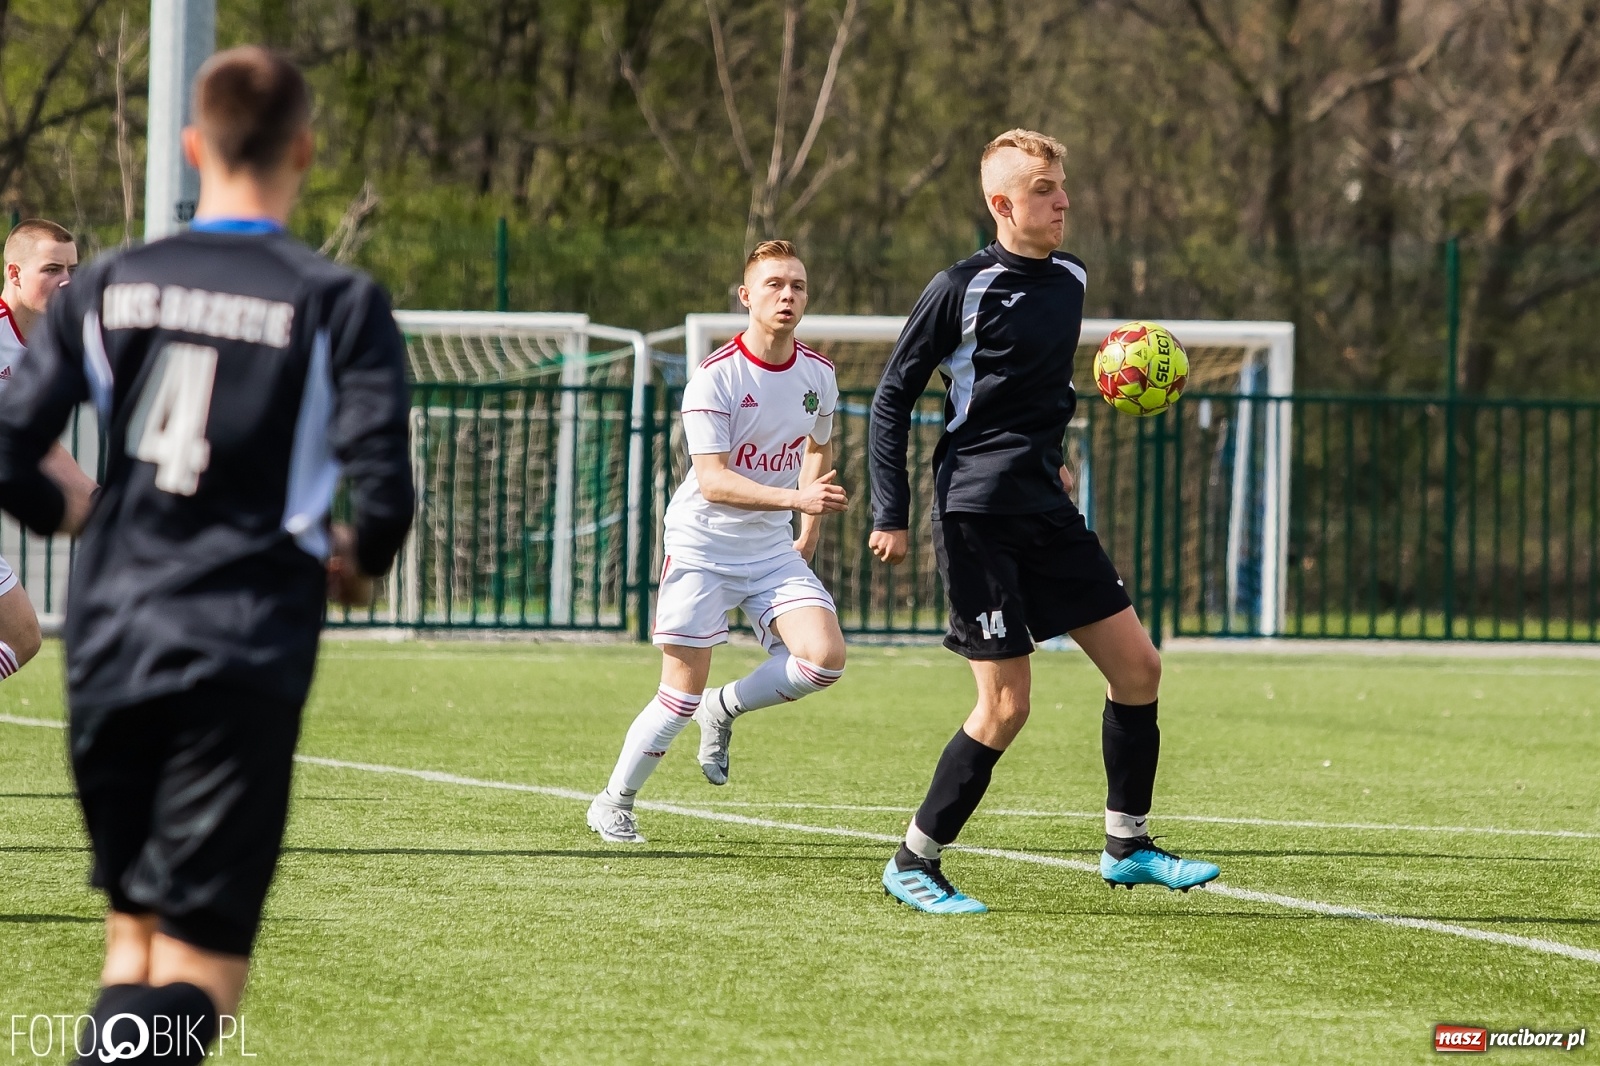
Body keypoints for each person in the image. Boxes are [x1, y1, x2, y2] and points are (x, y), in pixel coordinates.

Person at [0, 46, 413, 1063]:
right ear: (304, 152)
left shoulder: (111, 285)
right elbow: (387, 488)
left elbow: (8, 445)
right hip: (239, 644)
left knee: (133, 949)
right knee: (203, 979)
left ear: (193, 147)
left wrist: (75, 521)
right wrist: (360, 560)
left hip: (110, 639)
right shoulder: (336, 301)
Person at [867, 128, 1220, 914]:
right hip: (976, 513)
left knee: (1139, 668)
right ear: (1002, 204)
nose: (1062, 201)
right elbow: (894, 394)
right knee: (1006, 705)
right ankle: (913, 860)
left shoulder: (1072, 279)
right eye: (1043, 190)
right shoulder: (959, 287)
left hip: (1046, 505)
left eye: (1062, 186)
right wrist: (890, 510)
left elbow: (1034, 387)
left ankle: (1127, 844)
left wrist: (1052, 451)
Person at [587, 239, 848, 844]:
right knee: (678, 695)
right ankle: (614, 800)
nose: (787, 295)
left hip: (770, 548)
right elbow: (714, 481)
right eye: (775, 285)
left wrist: (806, 529)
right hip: (703, 545)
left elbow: (817, 449)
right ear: (746, 296)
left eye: (798, 286)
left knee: (823, 660)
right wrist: (795, 503)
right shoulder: (716, 377)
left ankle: (723, 707)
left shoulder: (819, 374)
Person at [0, 218, 97, 682]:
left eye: (71, 268)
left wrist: (99, 502)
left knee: (22, 637)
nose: (66, 281)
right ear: (14, 274)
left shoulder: (50, 348)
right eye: (52, 268)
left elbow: (42, 448)